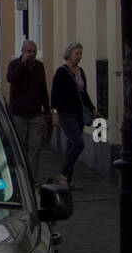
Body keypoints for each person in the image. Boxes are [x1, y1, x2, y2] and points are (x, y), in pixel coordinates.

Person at [52, 42, 96, 189]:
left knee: (72, 144)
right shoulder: (61, 72)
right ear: (69, 54)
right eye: (77, 53)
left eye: (81, 54)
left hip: (79, 113)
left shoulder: (81, 71)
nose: (79, 56)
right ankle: (63, 174)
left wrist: (92, 108)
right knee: (78, 143)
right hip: (66, 113)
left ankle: (67, 181)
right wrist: (55, 113)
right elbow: (55, 94)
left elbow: (84, 93)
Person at [6, 40, 50, 181]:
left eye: (34, 52)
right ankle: (20, 177)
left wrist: (47, 110)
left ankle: (32, 178)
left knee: (35, 146)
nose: (31, 54)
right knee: (20, 146)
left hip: (36, 114)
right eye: (29, 51)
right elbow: (12, 79)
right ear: (23, 52)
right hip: (19, 113)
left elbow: (43, 89)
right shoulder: (14, 65)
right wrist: (22, 64)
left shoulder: (39, 67)